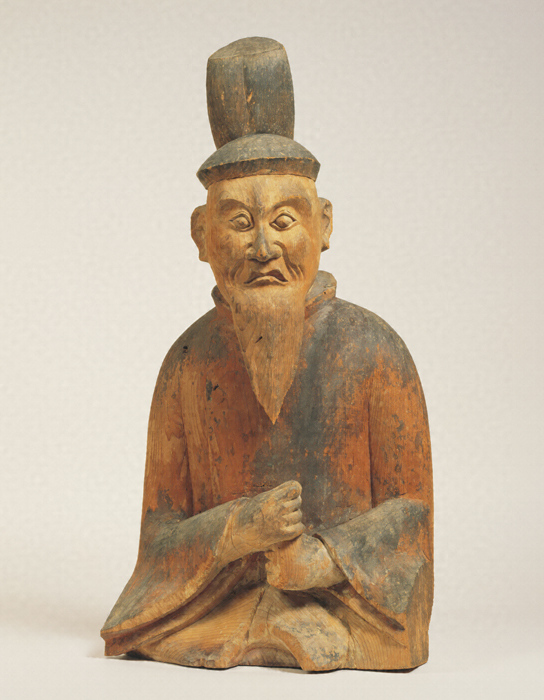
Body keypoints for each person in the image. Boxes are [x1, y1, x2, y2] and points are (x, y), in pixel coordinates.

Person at [101, 38, 433, 672]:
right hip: (217, 598)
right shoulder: (187, 363)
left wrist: (324, 557)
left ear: (324, 225)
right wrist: (236, 530)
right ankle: (270, 628)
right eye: (237, 222)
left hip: (346, 598)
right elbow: (158, 537)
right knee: (161, 629)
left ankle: (302, 623)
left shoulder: (375, 350)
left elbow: (411, 512)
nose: (262, 248)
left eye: (284, 221)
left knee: (365, 630)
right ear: (201, 235)